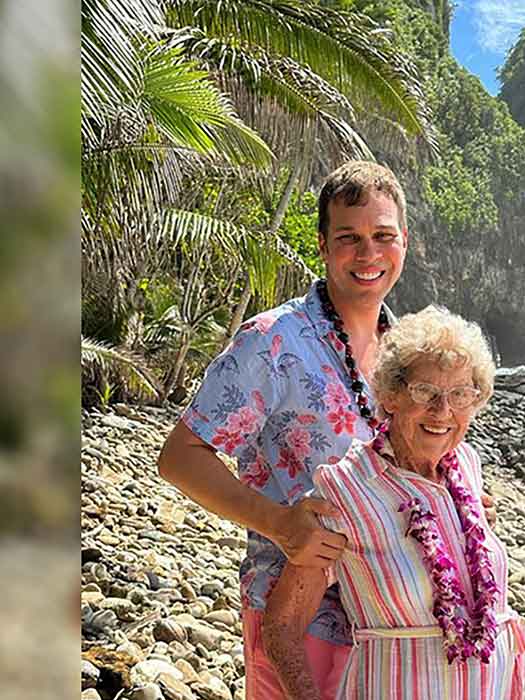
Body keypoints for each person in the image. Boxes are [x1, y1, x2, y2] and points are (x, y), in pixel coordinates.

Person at [157, 161, 497, 699]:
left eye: (383, 236)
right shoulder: (272, 342)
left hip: (398, 630)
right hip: (301, 620)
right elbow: (180, 456)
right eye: (349, 238)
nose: (368, 254)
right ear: (322, 244)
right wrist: (280, 523)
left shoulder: (407, 346)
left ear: (403, 242)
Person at [262, 306, 525, 700]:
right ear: (390, 395)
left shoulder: (466, 468)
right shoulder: (345, 489)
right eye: (425, 391)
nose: (443, 411)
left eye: (460, 393)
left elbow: (487, 603)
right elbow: (282, 626)